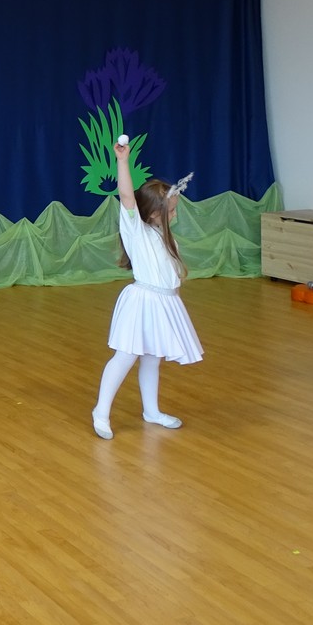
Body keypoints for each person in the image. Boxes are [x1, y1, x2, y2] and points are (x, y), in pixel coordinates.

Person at [91, 139, 203, 439]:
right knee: (125, 356)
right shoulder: (136, 231)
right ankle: (101, 412)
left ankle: (151, 411)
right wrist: (122, 161)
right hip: (141, 302)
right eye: (171, 211)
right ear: (153, 213)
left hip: (163, 304)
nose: (175, 215)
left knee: (152, 358)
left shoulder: (164, 236)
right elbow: (127, 196)